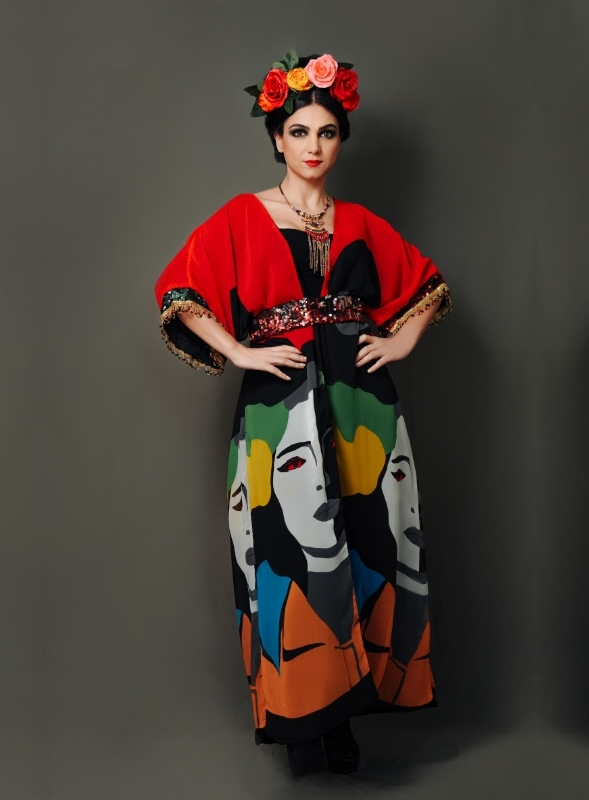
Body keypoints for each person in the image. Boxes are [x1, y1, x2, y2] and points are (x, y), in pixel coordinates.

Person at [154, 51, 451, 775]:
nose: (313, 145)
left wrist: (400, 341)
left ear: (340, 140)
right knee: (288, 549)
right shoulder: (242, 216)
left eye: (326, 131)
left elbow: (426, 287)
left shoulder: (361, 222)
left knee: (372, 540)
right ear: (276, 138)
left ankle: (345, 719)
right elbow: (179, 292)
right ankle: (299, 721)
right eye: (298, 131)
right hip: (280, 406)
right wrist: (241, 351)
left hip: (360, 403)